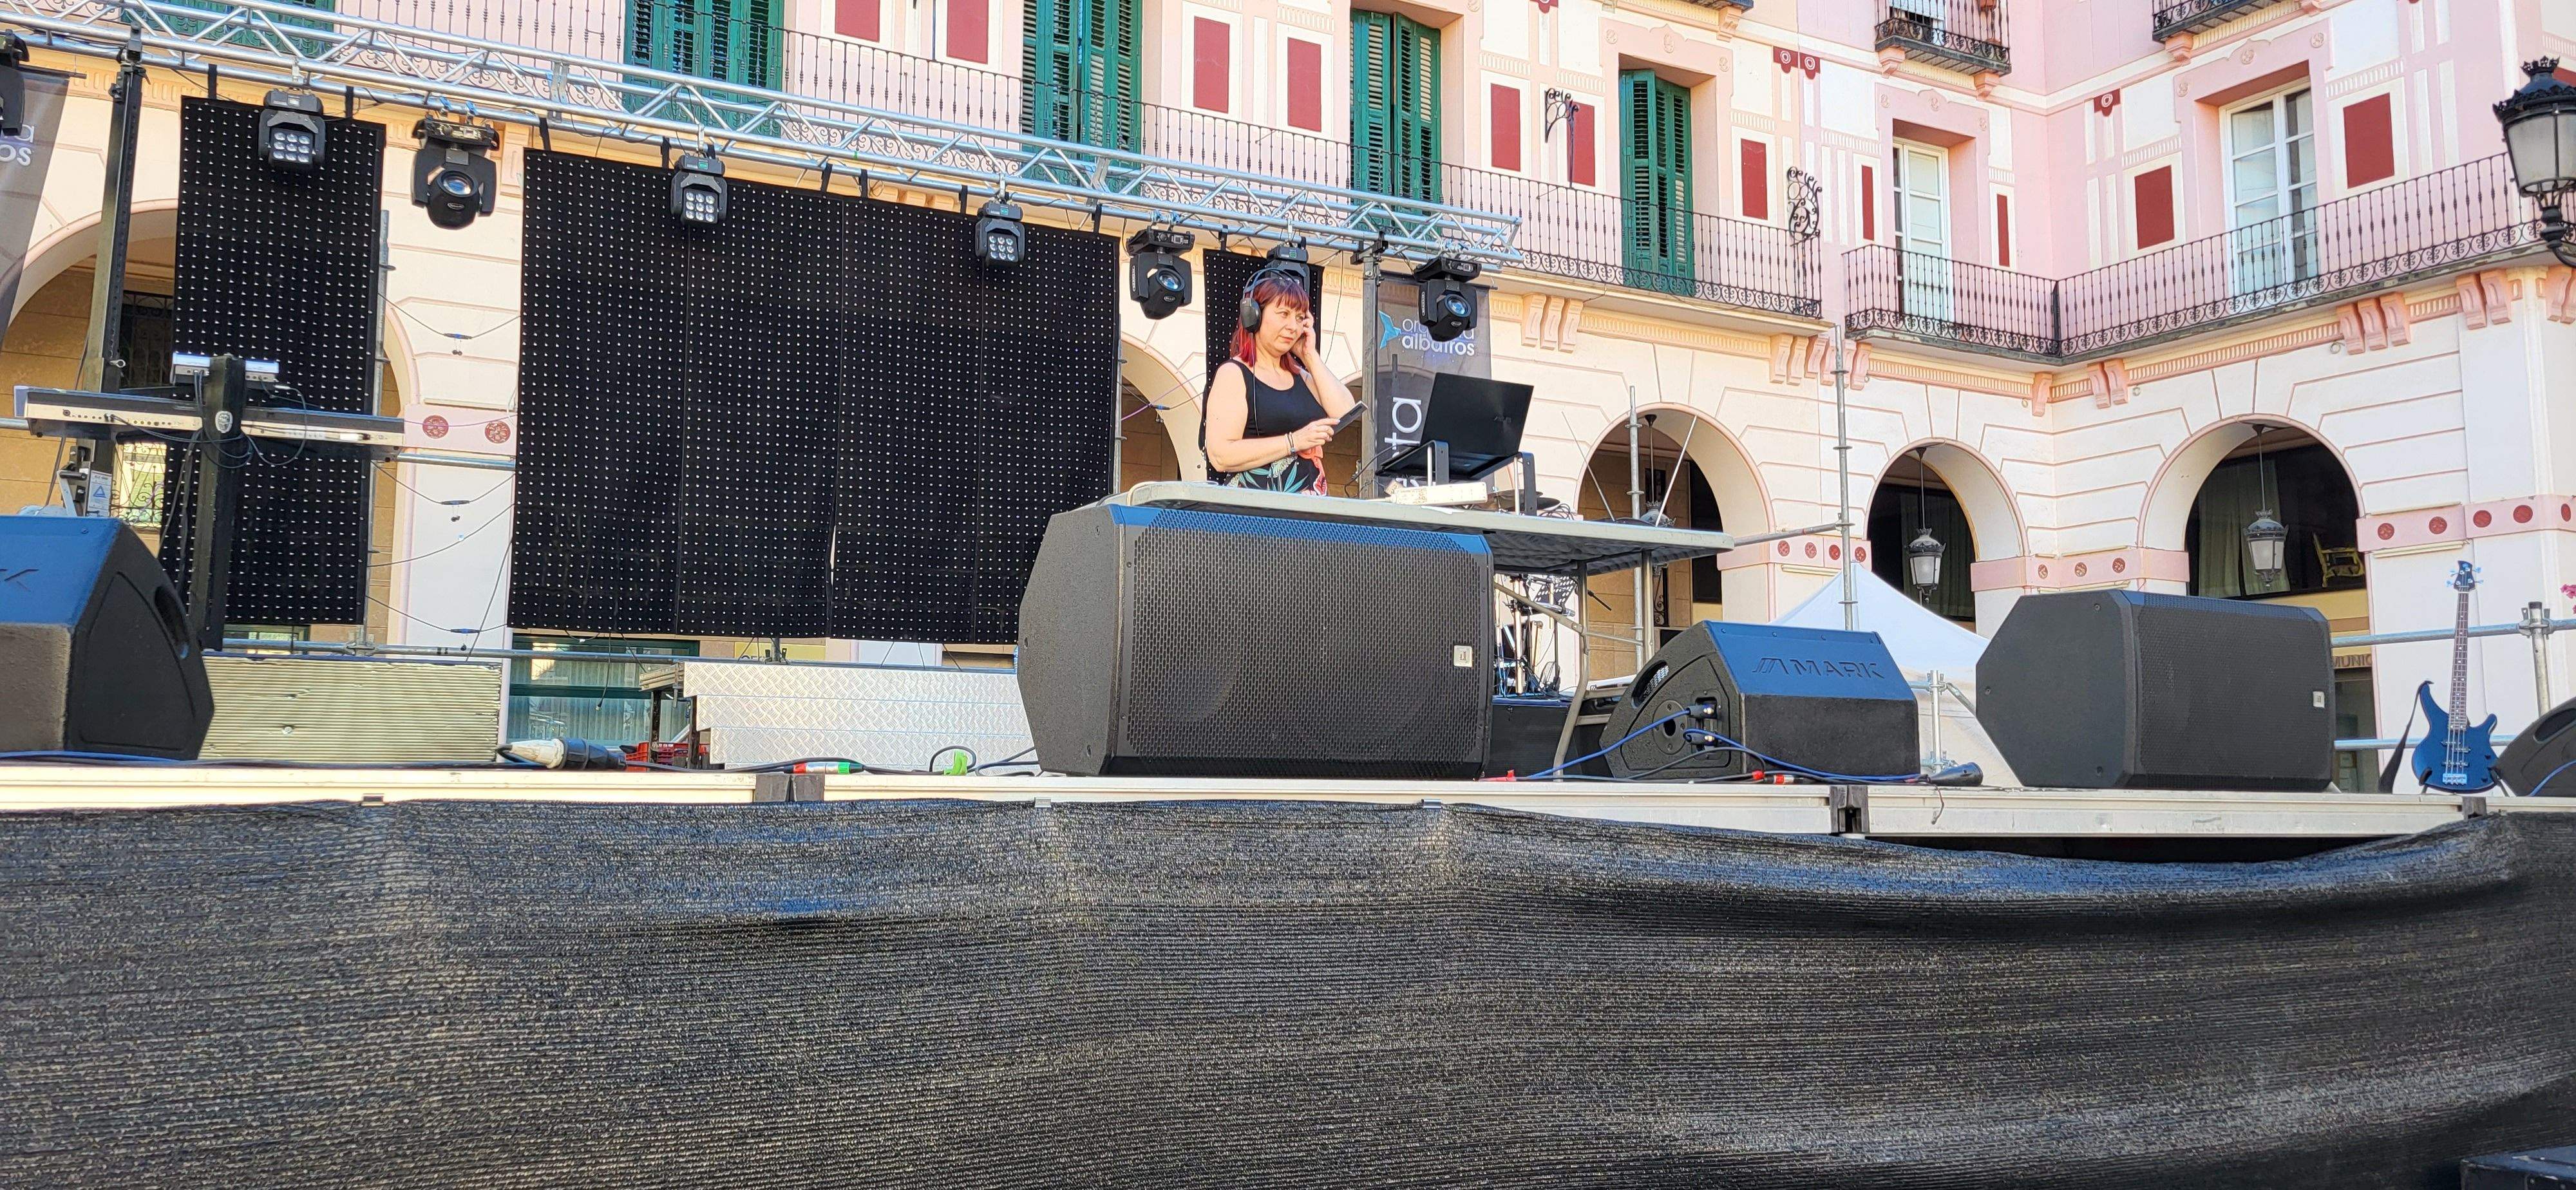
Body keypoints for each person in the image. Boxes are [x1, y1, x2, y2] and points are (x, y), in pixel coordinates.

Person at [1201, 267, 1354, 494]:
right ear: (1254, 316)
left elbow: (1346, 413)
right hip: (1256, 511)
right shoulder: (1234, 374)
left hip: (1309, 511)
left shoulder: (1303, 377)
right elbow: (1220, 455)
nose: (1293, 326)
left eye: (1300, 318)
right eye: (1284, 314)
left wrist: (1309, 356)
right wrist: (1293, 442)